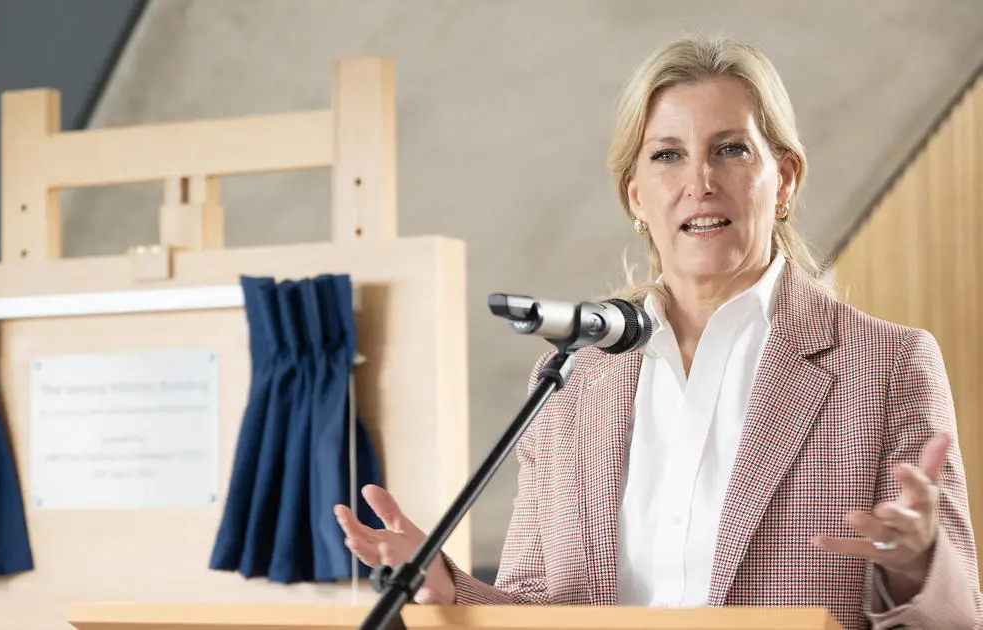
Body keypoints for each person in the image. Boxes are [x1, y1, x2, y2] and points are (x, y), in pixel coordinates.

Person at [334, 33, 982, 629]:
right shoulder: (570, 376)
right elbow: (537, 608)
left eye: (731, 150)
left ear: (782, 179)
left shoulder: (888, 363)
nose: (699, 182)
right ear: (636, 196)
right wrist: (449, 586)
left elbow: (960, 619)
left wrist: (915, 562)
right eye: (668, 156)